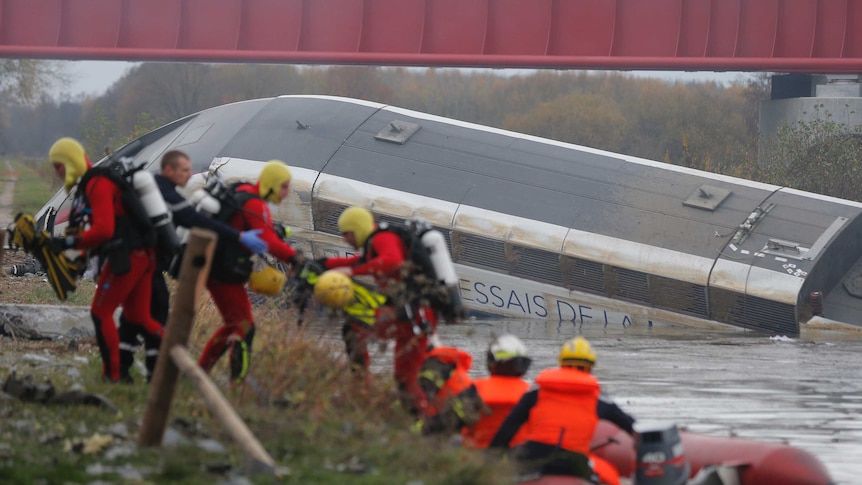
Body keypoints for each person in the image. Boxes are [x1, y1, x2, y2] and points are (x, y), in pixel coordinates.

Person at [117, 149, 268, 383]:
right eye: (185, 170)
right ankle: (154, 374)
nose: (190, 174)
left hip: (138, 259)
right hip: (144, 262)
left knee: (134, 313)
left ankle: (122, 368)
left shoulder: (157, 189)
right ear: (169, 170)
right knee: (157, 311)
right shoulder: (162, 191)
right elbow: (193, 219)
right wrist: (238, 236)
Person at [48, 137, 165, 383]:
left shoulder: (97, 184)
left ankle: (112, 374)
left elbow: (103, 230)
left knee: (101, 312)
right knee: (140, 316)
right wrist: (80, 255)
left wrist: (67, 243)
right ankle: (177, 356)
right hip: (143, 255)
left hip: (129, 256)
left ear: (70, 162)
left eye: (59, 166)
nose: (57, 172)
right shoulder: (93, 183)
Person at [318, 206, 440, 413]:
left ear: (357, 229)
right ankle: (418, 418)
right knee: (403, 379)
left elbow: (392, 261)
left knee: (357, 330)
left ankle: (363, 390)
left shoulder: (381, 238)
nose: (345, 240)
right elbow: (361, 261)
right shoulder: (376, 243)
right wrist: (324, 263)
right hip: (410, 314)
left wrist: (351, 271)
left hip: (414, 315)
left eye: (346, 234)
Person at [196, 159, 301, 383]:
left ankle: (200, 371)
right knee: (244, 328)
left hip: (218, 267)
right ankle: (234, 382)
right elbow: (269, 242)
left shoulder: (244, 191)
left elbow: (260, 230)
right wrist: (296, 259)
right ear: (272, 183)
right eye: (284, 187)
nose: (285, 193)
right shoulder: (255, 204)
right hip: (223, 272)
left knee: (237, 325)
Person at [489, 336, 636, 482]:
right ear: (591, 367)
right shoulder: (598, 397)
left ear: (561, 363)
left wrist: (491, 456)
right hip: (573, 460)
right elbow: (630, 425)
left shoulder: (538, 390)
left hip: (535, 454)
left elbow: (509, 426)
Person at [461, 334, 532, 449]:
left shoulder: (475, 389)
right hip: (517, 455)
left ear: (491, 361)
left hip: (477, 453)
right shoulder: (531, 394)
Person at [413, 341, 485, 436]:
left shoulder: (433, 367)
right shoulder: (444, 363)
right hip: (458, 422)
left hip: (450, 423)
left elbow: (418, 400)